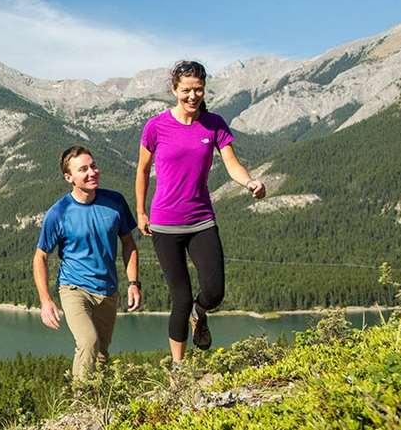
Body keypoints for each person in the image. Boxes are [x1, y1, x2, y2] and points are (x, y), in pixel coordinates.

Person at [134, 60, 266, 365]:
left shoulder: (215, 124)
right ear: (174, 90)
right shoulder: (155, 126)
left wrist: (250, 181)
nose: (192, 96)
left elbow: (232, 163)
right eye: (185, 90)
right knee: (179, 298)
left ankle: (201, 310)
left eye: (198, 89)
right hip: (165, 225)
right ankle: (178, 369)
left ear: (204, 89)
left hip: (201, 221)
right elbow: (142, 170)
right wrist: (140, 212)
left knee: (215, 291)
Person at [33, 145, 140, 381]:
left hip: (108, 291)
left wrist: (133, 283)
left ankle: (100, 403)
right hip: (74, 288)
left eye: (93, 166)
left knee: (101, 354)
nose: (92, 172)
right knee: (88, 342)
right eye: (83, 169)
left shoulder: (115, 202)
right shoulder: (59, 212)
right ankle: (80, 402)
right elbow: (40, 256)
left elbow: (129, 244)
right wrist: (45, 300)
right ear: (69, 177)